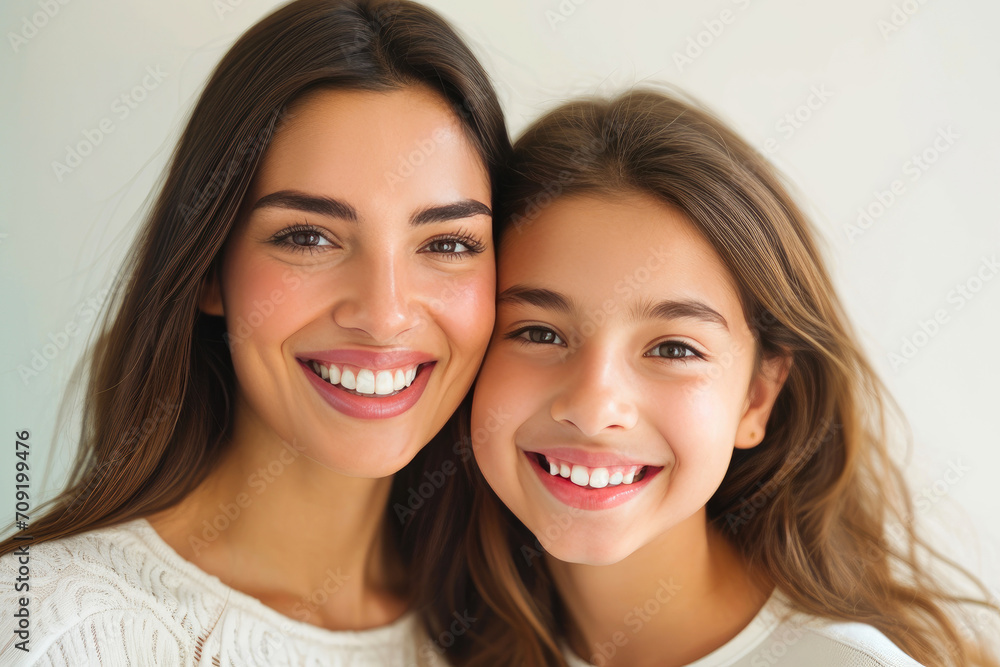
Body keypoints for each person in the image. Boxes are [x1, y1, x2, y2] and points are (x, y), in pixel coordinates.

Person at [0, 0, 509, 664]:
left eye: (446, 243)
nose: (384, 315)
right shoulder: (41, 626)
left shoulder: (508, 633)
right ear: (210, 269)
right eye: (308, 236)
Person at [444, 88, 1000, 666]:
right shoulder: (430, 639)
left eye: (674, 348)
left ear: (756, 398)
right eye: (539, 333)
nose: (593, 404)